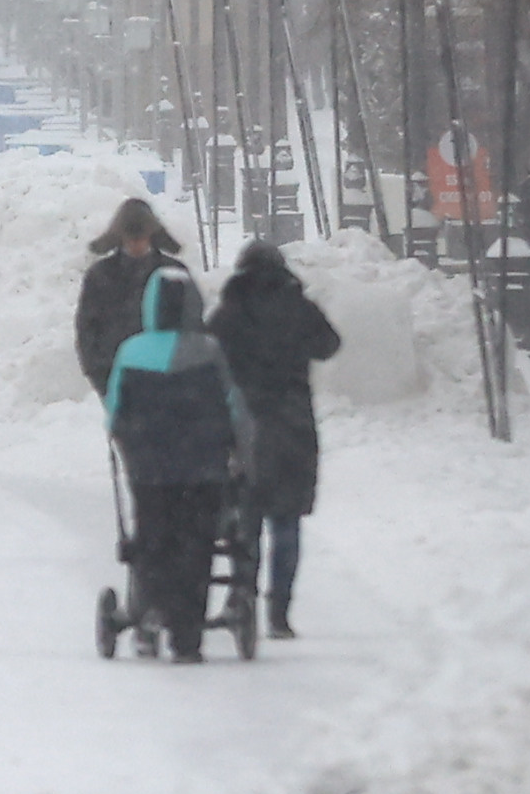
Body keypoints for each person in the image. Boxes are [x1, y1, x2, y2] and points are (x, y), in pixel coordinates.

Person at [104, 267, 253, 663]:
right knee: (196, 546)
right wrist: (240, 454)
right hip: (203, 468)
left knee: (154, 541)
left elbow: (115, 412)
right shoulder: (210, 351)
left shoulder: (131, 352)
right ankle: (188, 638)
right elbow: (234, 408)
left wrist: (131, 443)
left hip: (148, 469)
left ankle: (149, 614)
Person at [208, 242, 341, 640]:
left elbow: (209, 353)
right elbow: (330, 345)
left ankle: (243, 599)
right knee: (287, 521)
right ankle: (279, 612)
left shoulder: (229, 313)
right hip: (293, 426)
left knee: (246, 521)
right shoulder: (297, 307)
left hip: (246, 428)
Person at [74, 195, 183, 394]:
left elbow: (191, 326)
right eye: (130, 238)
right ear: (119, 238)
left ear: (151, 236)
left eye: (140, 237)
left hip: (168, 381)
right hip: (116, 378)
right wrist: (99, 373)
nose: (135, 244)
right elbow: (87, 328)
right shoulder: (100, 276)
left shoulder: (174, 274)